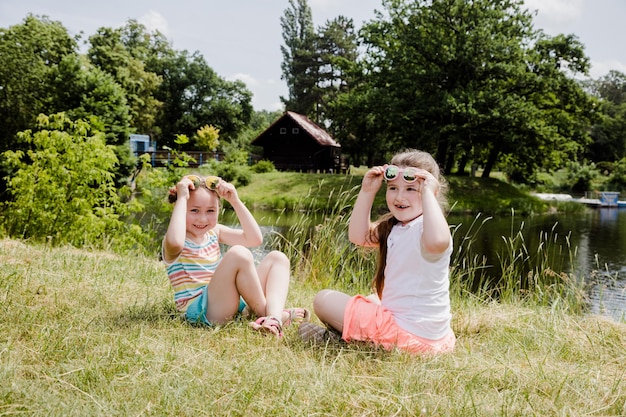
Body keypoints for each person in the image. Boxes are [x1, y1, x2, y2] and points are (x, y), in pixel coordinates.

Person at [299, 149, 456, 354]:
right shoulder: (396, 227)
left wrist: (428, 193)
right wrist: (367, 192)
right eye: (392, 188)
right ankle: (359, 339)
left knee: (323, 300)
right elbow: (358, 236)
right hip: (433, 338)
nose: (400, 196)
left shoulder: (427, 229)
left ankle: (340, 341)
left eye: (411, 189)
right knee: (374, 298)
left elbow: (437, 242)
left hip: (409, 336)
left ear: (431, 191)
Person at [162, 174, 309, 338]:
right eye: (194, 210)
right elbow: (175, 243)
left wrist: (235, 201)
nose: (202, 218)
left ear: (219, 209)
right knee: (238, 254)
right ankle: (269, 314)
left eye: (211, 210)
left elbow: (254, 239)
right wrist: (182, 197)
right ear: (181, 209)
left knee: (277, 258)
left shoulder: (214, 231)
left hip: (228, 302)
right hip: (202, 311)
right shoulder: (175, 240)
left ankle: (273, 318)